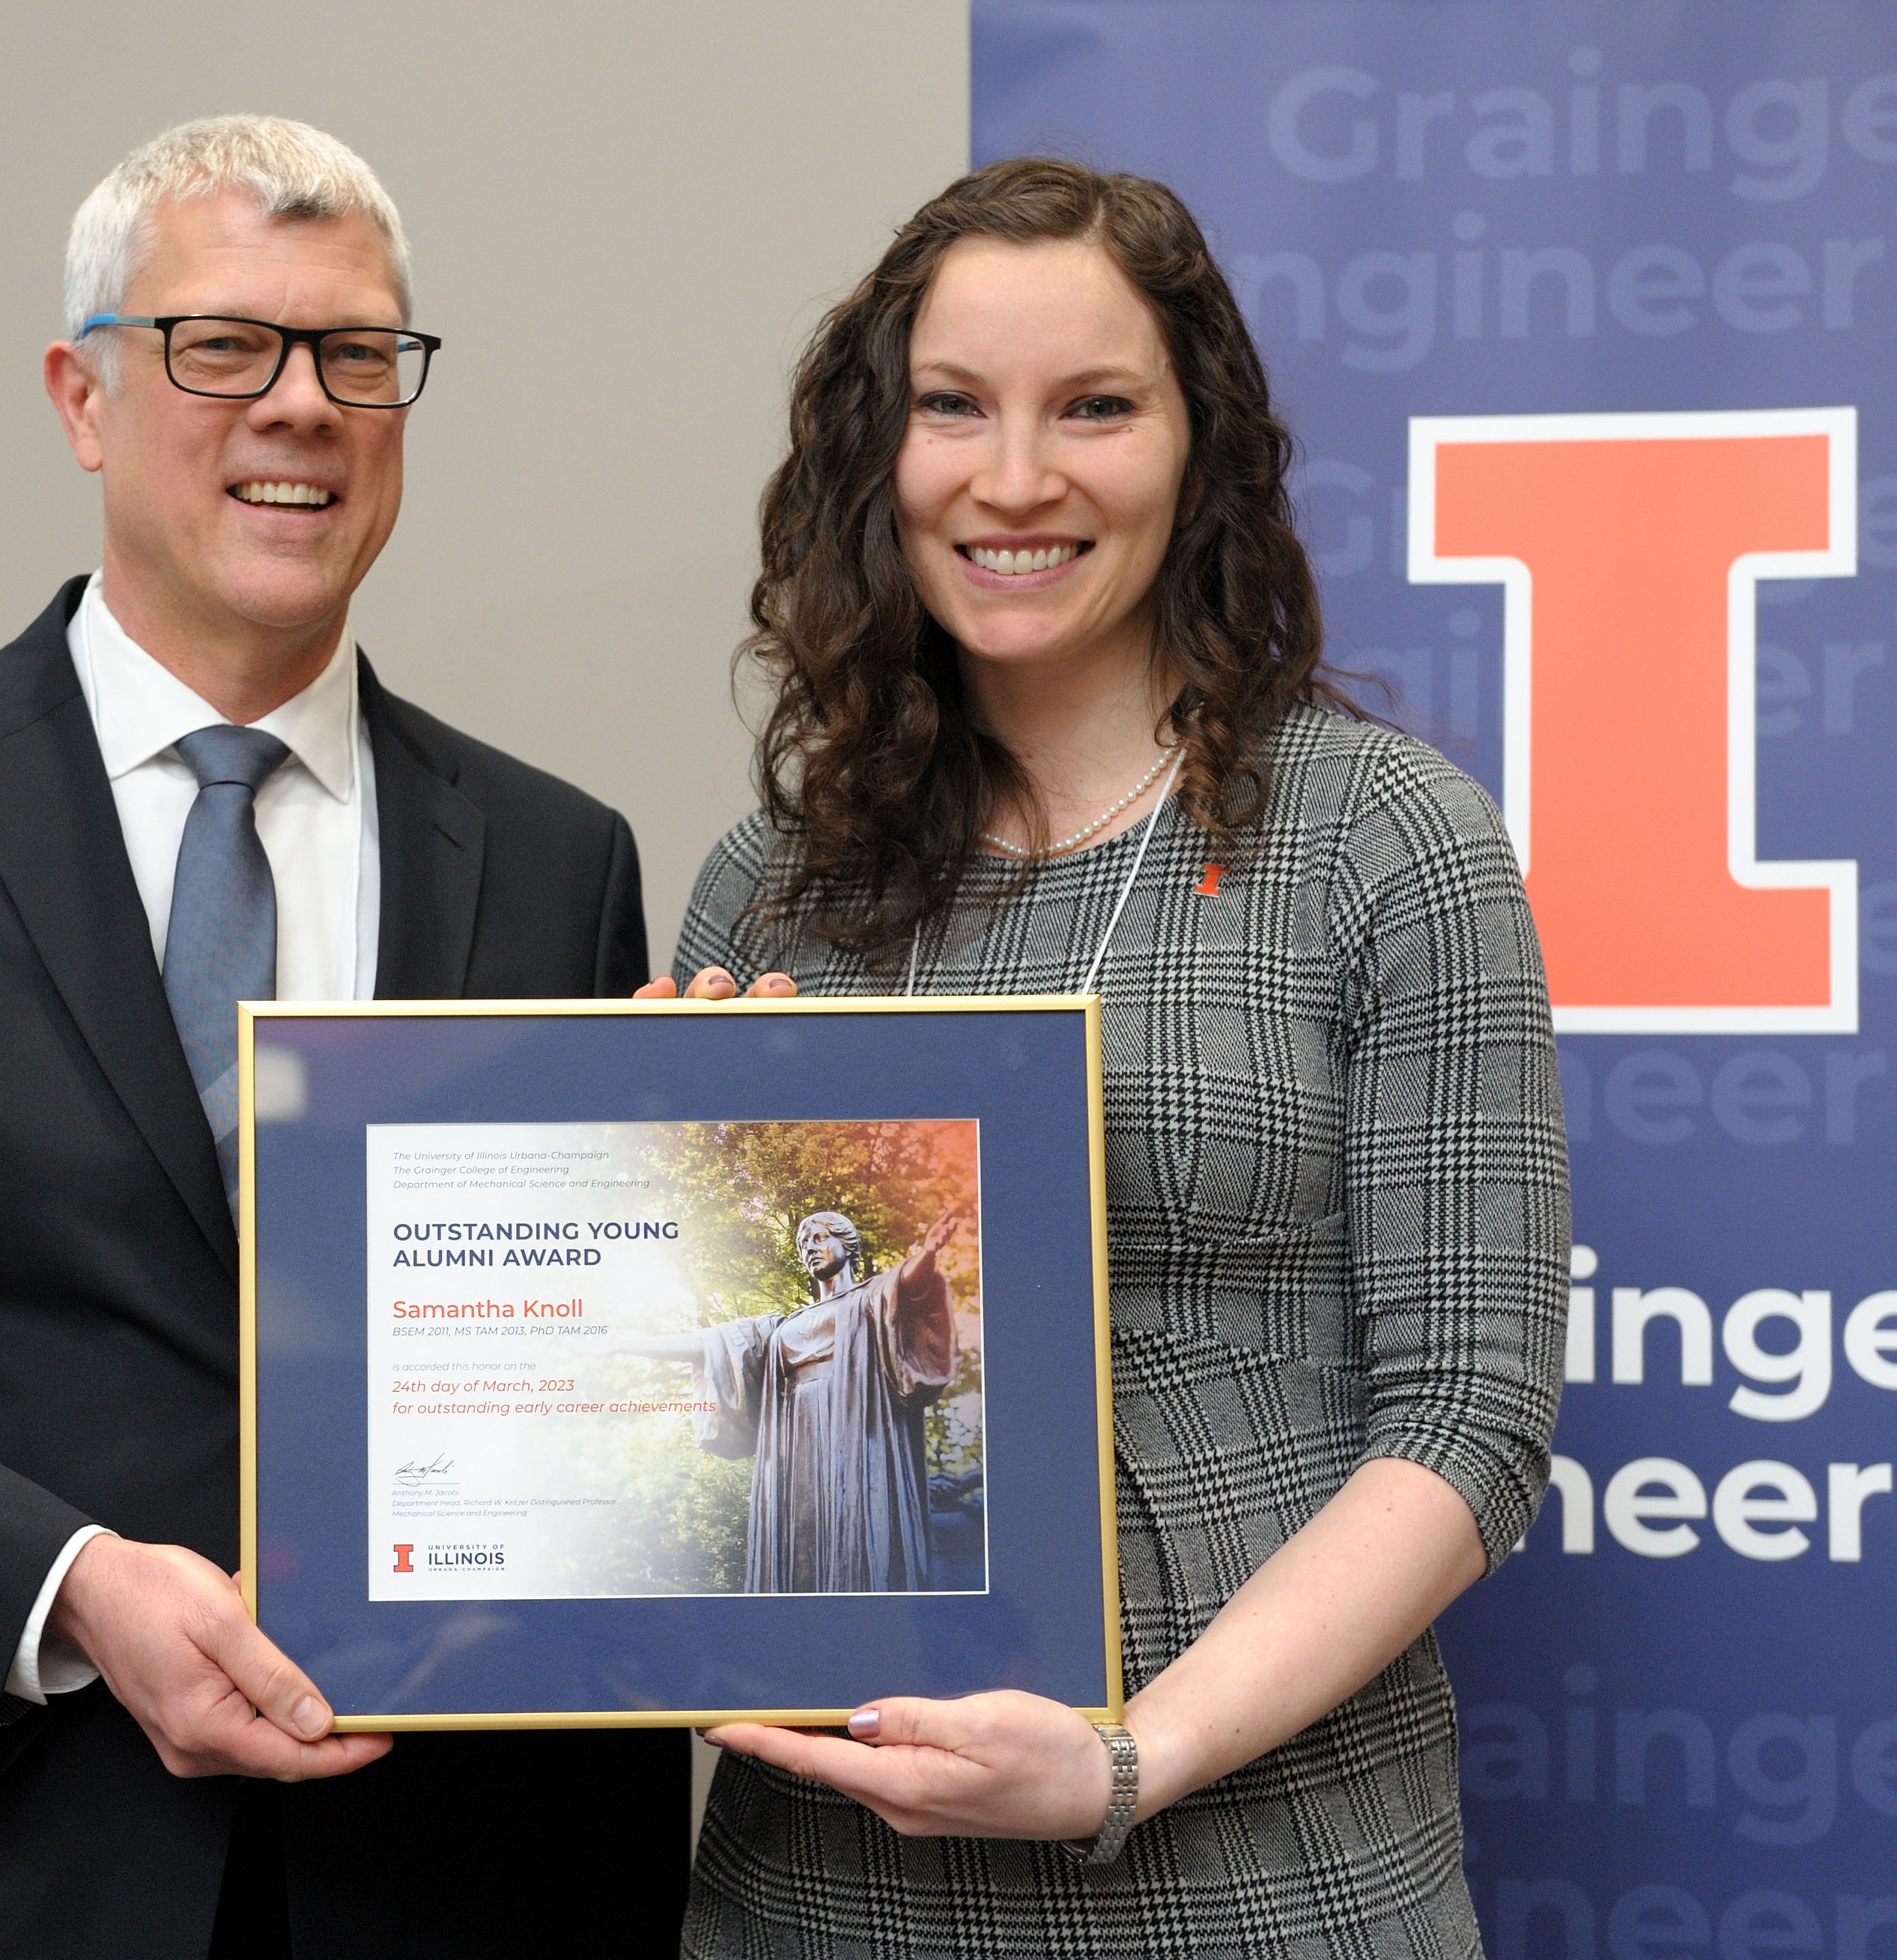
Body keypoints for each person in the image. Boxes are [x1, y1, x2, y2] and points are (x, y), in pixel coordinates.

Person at [0, 116, 686, 1959]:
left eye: (358, 353)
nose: (300, 405)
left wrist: (708, 1197)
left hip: (454, 1878)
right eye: (220, 345)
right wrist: (65, 1586)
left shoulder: (553, 853)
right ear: (82, 395)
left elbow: (569, 1395)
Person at [645, 157, 1569, 1955]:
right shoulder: (769, 884)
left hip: (1262, 1877)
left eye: (1093, 407)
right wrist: (648, 1217)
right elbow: (703, 1436)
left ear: (1195, 445)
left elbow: (1470, 1412)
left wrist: (1125, 1757)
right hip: (824, 1889)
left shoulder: (1389, 841)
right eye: (951, 409)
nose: (1012, 478)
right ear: (877, 454)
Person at [615, 1210, 959, 1592]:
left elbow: (910, 1285)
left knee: (854, 1525)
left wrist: (929, 1252)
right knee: (802, 1539)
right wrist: (625, 1345)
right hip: (796, 1442)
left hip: (855, 1429)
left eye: (819, 1238)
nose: (810, 1249)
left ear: (847, 1244)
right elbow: (708, 1345)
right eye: (803, 1244)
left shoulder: (869, 1298)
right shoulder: (779, 1328)